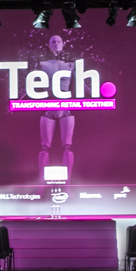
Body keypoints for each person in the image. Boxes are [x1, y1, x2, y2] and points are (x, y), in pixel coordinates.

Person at [38, 34, 76, 177]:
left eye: (59, 41)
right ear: (49, 45)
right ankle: (42, 186)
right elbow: (29, 84)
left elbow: (82, 83)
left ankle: (67, 186)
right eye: (53, 41)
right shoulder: (42, 64)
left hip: (65, 108)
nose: (56, 44)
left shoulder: (70, 65)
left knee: (68, 147)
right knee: (44, 148)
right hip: (49, 106)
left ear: (63, 44)